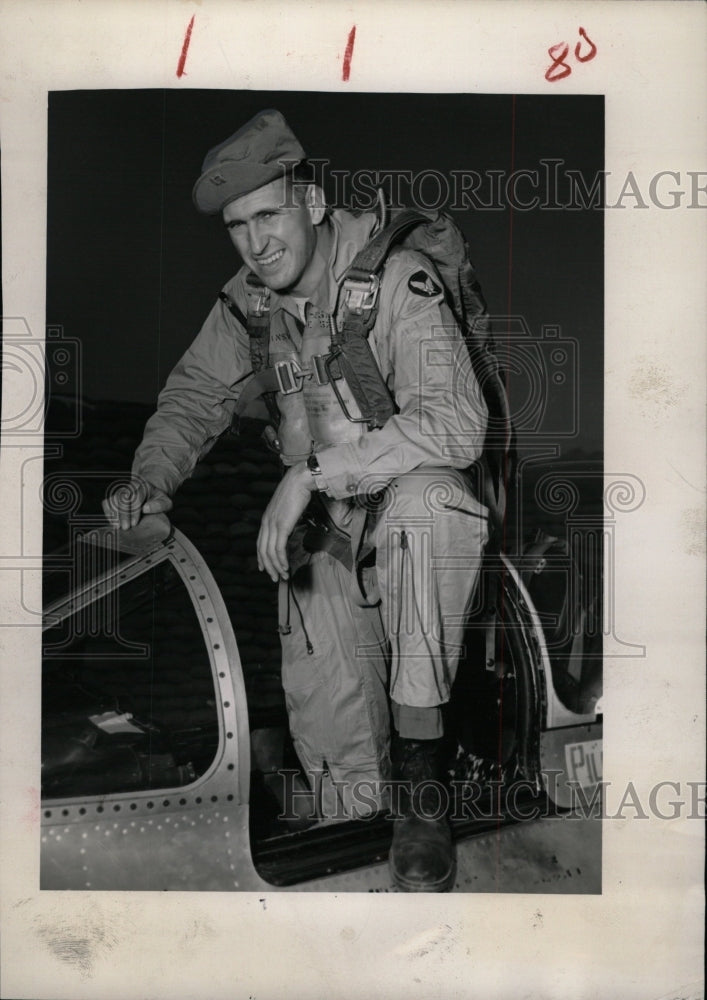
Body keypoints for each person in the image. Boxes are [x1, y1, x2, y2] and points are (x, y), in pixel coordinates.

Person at [104, 109, 490, 892]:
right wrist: (149, 481)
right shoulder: (250, 303)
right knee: (329, 716)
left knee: (425, 508)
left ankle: (421, 787)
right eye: (239, 226)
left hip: (411, 516)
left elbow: (456, 422)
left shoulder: (393, 279)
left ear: (311, 202)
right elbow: (192, 399)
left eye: (270, 214)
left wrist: (310, 471)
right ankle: (354, 850)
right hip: (327, 537)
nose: (257, 243)